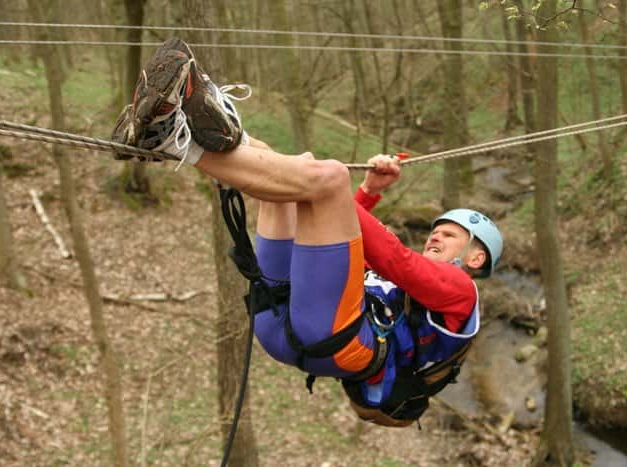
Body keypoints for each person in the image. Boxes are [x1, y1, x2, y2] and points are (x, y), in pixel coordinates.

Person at [112, 39, 503, 427]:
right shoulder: (403, 296)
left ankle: (174, 139)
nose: (435, 237)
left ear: (476, 257)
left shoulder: (460, 291)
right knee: (284, 177)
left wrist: (339, 193)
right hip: (294, 330)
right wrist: (368, 193)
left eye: (450, 235)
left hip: (333, 336)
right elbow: (340, 247)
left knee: (326, 178)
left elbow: (394, 259)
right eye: (437, 231)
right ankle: (189, 121)